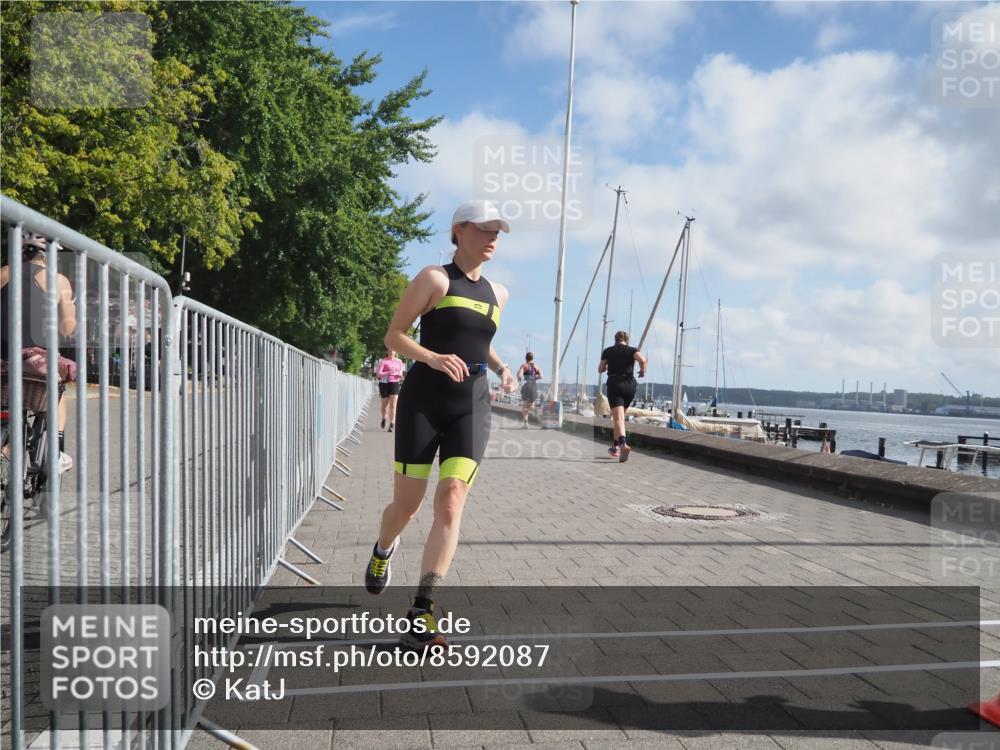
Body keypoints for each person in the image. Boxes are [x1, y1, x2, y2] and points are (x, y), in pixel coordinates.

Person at [365, 199, 516, 651]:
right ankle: (382, 547)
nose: (493, 238)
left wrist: (503, 366)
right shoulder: (434, 279)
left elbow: (477, 341)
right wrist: (431, 357)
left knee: (451, 502)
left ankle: (422, 609)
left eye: (498, 231)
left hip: (473, 403)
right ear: (460, 230)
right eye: (486, 229)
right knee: (406, 507)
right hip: (423, 403)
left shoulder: (499, 293)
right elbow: (394, 335)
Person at [0, 231, 78, 472]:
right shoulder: (58, 280)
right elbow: (67, 328)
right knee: (57, 392)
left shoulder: (2, 273)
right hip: (33, 359)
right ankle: (55, 451)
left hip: (2, 358)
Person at [598, 330, 647, 463]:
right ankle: (615, 447)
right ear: (627, 340)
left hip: (615, 384)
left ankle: (623, 444)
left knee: (618, 419)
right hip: (630, 386)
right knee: (619, 419)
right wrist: (642, 371)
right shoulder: (632, 350)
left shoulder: (608, 351)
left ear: (615, 340)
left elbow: (600, 369)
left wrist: (607, 365)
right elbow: (642, 360)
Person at [375, 349, 404, 431]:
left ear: (396, 352)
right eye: (390, 351)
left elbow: (400, 371)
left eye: (393, 351)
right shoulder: (383, 361)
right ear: (387, 352)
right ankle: (384, 417)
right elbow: (378, 374)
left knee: (394, 404)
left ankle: (392, 423)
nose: (391, 352)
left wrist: (400, 375)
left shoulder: (399, 361)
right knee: (384, 406)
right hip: (384, 384)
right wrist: (389, 372)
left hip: (394, 383)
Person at [516, 352, 542, 428]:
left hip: (526, 386)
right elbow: (541, 376)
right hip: (534, 386)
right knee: (531, 405)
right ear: (532, 358)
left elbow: (520, 374)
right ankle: (535, 411)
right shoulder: (536, 367)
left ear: (526, 358)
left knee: (525, 406)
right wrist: (534, 378)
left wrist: (520, 378)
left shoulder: (524, 365)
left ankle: (525, 423)